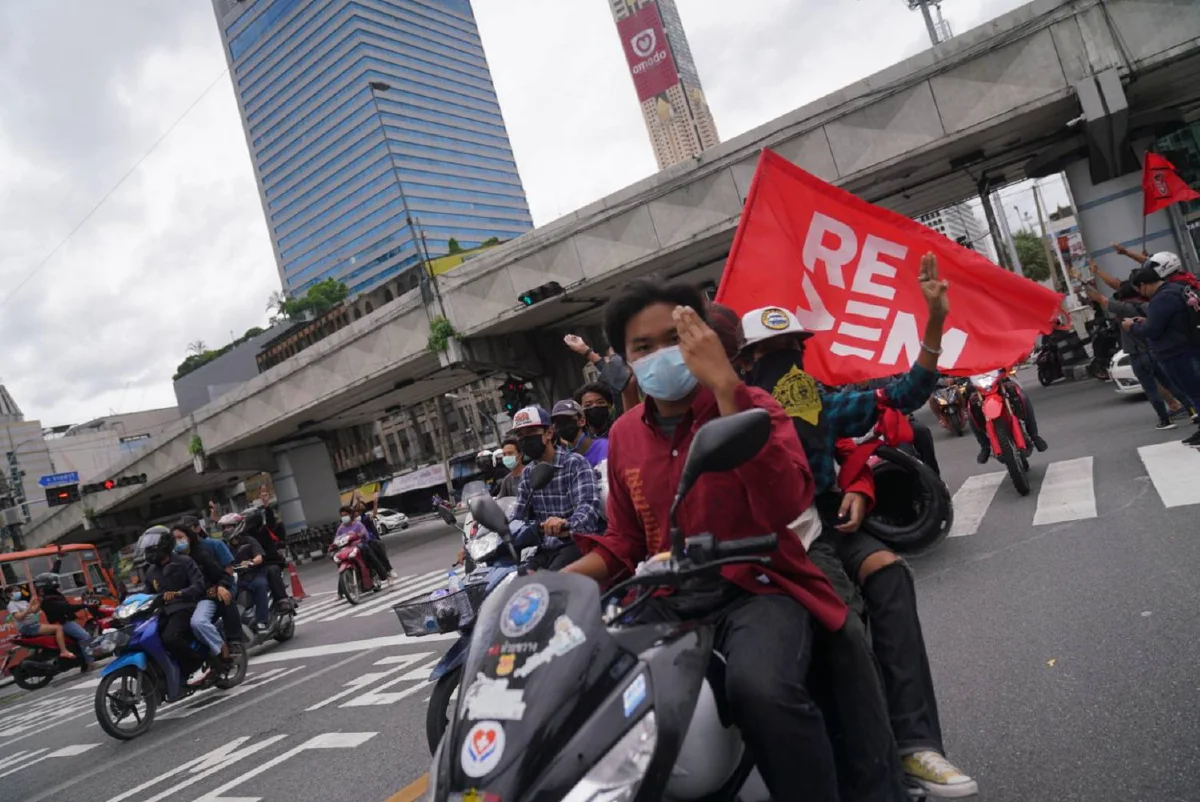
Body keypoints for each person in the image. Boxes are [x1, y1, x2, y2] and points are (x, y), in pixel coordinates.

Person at [565, 278, 848, 801]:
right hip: (665, 598)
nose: (659, 356)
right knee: (587, 693)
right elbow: (625, 541)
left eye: (673, 339)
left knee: (760, 689)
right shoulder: (625, 434)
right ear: (625, 359)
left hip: (758, 588)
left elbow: (786, 500)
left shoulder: (754, 404)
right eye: (641, 348)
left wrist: (725, 389)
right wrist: (543, 586)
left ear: (703, 336)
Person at [732, 254, 976, 798]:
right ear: (742, 362)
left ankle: (915, 745)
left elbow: (904, 395)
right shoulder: (727, 412)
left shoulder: (816, 398)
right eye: (769, 353)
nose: (784, 361)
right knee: (834, 624)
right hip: (764, 540)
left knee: (889, 573)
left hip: (826, 520)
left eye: (792, 348)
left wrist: (933, 322)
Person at [507, 404, 602, 571]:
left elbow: (588, 507)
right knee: (516, 583)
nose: (525, 440)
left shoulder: (575, 463)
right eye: (520, 436)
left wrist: (565, 524)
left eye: (530, 433)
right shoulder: (528, 474)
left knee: (549, 585)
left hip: (575, 543)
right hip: (544, 549)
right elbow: (519, 515)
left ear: (549, 433)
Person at [1087, 279, 1188, 430]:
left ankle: (1165, 420)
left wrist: (1084, 284)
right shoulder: (1150, 306)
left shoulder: (1123, 308)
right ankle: (1191, 410)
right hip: (1154, 351)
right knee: (1170, 383)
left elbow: (1099, 298)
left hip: (1137, 355)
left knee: (1151, 389)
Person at [1127, 265, 1200, 445]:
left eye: (1139, 289)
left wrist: (1133, 327)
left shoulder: (1162, 298)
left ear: (1144, 285)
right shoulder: (1176, 289)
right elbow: (1166, 321)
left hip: (1176, 351)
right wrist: (1147, 321)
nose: (1141, 293)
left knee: (1194, 391)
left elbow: (1153, 331)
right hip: (1187, 346)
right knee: (1194, 390)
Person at [139, 527, 206, 683]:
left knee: (170, 638)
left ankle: (198, 665)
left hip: (185, 606)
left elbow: (198, 585)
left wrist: (179, 593)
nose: (149, 551)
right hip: (164, 612)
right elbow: (147, 595)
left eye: (152, 547)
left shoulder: (184, 561)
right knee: (148, 638)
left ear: (164, 545)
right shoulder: (151, 571)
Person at [172, 524, 232, 669]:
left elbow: (222, 575)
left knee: (197, 622)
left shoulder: (201, 555)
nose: (177, 542)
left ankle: (222, 648)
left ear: (189, 538)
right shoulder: (174, 561)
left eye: (180, 538)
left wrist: (220, 586)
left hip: (205, 597)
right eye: (173, 539)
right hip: (184, 601)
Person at [966, 370, 1047, 464]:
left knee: (1022, 397)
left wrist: (1008, 365)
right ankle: (985, 447)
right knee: (970, 410)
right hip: (979, 384)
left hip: (1000, 377)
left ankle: (1034, 436)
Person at [31, 574, 95, 670]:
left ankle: (83, 663)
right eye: (53, 581)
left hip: (64, 621)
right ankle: (90, 662)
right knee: (85, 637)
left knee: (77, 638)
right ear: (46, 584)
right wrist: (84, 605)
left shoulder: (52, 594)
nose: (55, 583)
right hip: (63, 623)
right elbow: (65, 608)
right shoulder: (49, 598)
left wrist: (58, 560)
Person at [6, 584, 74, 659]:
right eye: (16, 591)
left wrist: (40, 602)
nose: (18, 592)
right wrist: (30, 605)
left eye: (19, 591)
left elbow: (34, 611)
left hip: (34, 625)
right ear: (9, 594)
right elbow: (19, 617)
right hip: (28, 627)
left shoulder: (23, 602)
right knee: (58, 628)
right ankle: (64, 651)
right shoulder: (11, 605)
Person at [229, 523, 270, 631]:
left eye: (228, 526)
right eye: (223, 527)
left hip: (255, 575)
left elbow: (259, 557)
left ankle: (262, 621)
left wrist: (251, 561)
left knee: (260, 586)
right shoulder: (227, 547)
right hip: (240, 579)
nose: (226, 529)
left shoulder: (249, 541)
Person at [336, 505, 389, 583]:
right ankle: (342, 590)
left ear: (350, 515)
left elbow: (365, 535)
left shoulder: (358, 524)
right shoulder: (341, 528)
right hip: (346, 549)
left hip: (359, 547)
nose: (344, 517)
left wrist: (360, 535)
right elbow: (336, 538)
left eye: (345, 515)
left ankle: (381, 573)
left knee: (368, 552)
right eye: (342, 516)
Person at [551, 398, 609, 468]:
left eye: (566, 419)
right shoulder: (561, 459)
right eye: (556, 422)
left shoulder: (604, 447)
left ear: (582, 421)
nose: (561, 424)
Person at [355, 502, 398, 579]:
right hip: (358, 543)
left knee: (379, 550)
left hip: (370, 540)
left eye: (362, 506)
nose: (360, 508)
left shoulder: (365, 517)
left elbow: (374, 514)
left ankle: (389, 570)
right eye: (359, 506)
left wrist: (375, 503)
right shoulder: (351, 522)